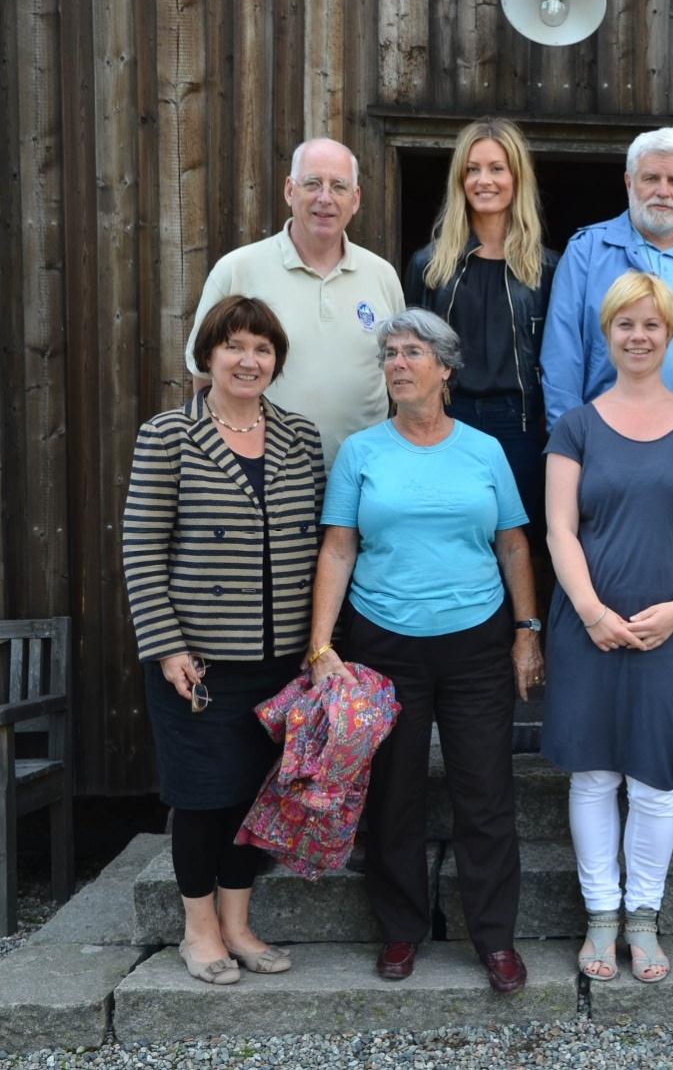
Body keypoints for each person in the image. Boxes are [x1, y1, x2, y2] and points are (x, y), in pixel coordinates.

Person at [306, 308, 542, 993]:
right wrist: (321, 644)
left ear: (445, 368)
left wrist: (528, 632)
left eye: (413, 353)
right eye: (391, 354)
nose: (399, 364)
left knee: (485, 793)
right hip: (384, 643)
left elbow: (513, 543)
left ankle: (495, 939)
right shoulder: (361, 452)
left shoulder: (483, 450)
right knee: (394, 795)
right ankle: (402, 932)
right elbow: (339, 547)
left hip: (476, 643)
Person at [123, 295, 324, 985]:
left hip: (282, 660)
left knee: (260, 799)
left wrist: (319, 645)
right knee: (204, 798)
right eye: (235, 345)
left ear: (276, 362)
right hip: (198, 664)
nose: (249, 360)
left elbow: (322, 547)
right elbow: (142, 550)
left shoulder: (301, 436)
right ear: (207, 355)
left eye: (263, 349)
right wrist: (168, 646)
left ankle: (239, 926)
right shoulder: (168, 435)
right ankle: (198, 930)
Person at [541, 272, 673, 983]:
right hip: (586, 626)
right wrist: (591, 611)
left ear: (670, 333)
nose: (638, 336)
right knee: (593, 775)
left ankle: (644, 918)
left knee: (656, 779)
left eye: (651, 324)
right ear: (607, 332)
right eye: (625, 324)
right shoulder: (577, 425)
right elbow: (560, 528)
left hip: (671, 628)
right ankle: (600, 915)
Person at [184, 137, 405, 468]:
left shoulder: (382, 276)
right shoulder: (237, 270)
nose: (325, 198)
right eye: (312, 183)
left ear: (355, 198)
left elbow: (399, 377)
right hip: (267, 479)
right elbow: (203, 375)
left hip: (362, 475)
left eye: (339, 187)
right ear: (290, 190)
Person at [403, 117, 557, 531]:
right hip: (448, 418)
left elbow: (560, 359)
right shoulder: (429, 265)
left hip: (521, 425)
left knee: (519, 542)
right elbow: (409, 359)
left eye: (496, 168)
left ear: (516, 178)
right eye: (472, 169)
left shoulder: (546, 268)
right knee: (447, 536)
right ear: (460, 180)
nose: (483, 180)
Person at [539, 127, 673, 428]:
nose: (663, 192)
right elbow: (561, 354)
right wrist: (569, 441)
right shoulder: (587, 251)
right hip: (606, 438)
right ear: (629, 182)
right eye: (651, 178)